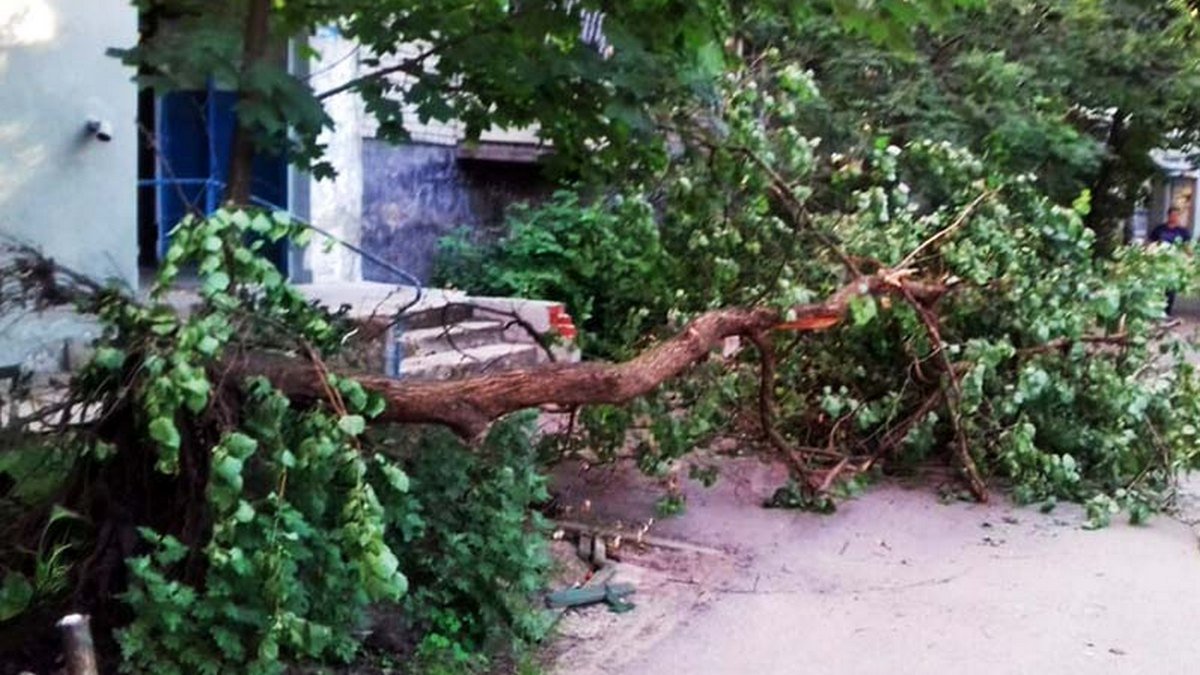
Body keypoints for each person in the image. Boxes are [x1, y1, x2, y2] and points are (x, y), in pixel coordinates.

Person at [1148, 206, 1189, 316]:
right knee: (1158, 286)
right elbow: (1150, 243)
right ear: (1168, 216)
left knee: (1171, 287)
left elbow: (1186, 247)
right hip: (1159, 261)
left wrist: (1189, 258)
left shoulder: (1182, 231)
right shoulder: (1160, 229)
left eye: (1176, 215)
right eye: (1172, 215)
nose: (1174, 217)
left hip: (1173, 262)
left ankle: (1167, 311)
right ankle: (1156, 309)